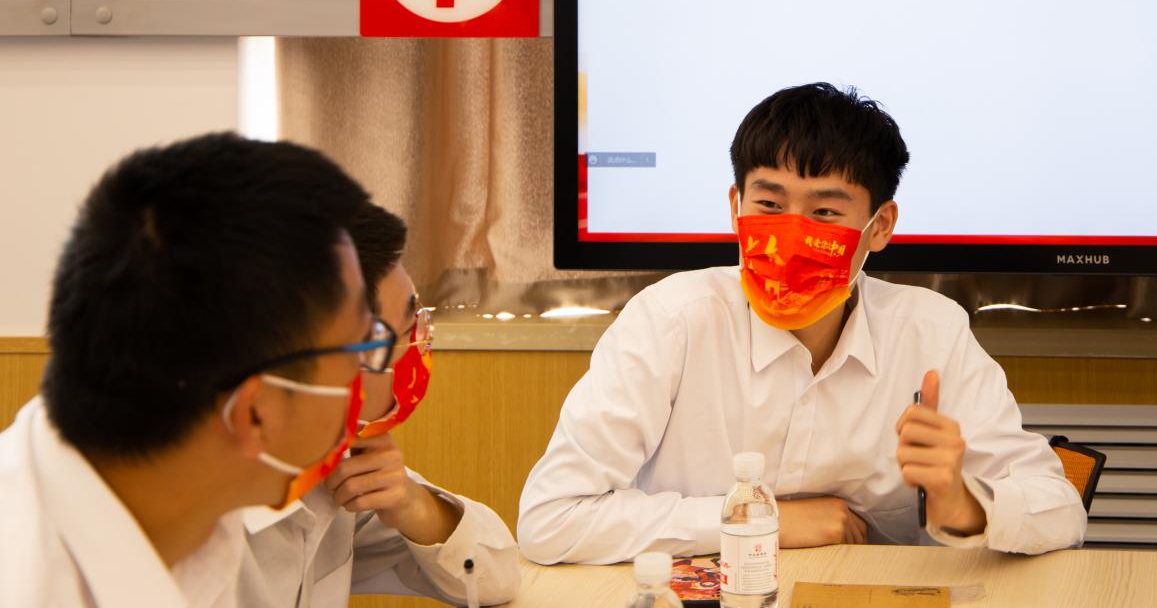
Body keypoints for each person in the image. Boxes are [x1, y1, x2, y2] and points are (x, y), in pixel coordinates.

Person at [518, 83, 1087, 564]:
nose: (791, 235)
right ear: (735, 206)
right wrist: (760, 520)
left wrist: (963, 504)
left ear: (880, 226)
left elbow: (1060, 509)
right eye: (769, 206)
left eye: (825, 213)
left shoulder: (931, 333)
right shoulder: (671, 321)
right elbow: (550, 519)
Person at [0, 132, 379, 607]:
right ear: (255, 413)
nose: (367, 373)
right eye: (360, 348)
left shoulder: (191, 512)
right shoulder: (26, 583)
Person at [216, 202, 520, 606]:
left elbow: (496, 577)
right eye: (409, 332)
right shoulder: (186, 534)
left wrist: (414, 505)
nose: (420, 350)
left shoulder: (333, 470)